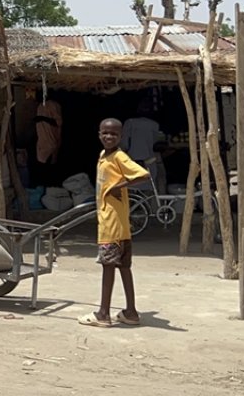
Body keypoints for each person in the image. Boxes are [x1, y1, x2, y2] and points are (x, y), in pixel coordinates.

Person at [79, 118, 150, 328]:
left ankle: (103, 313)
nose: (109, 137)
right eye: (105, 133)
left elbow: (143, 174)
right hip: (118, 223)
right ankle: (131, 312)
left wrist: (121, 186)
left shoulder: (119, 156)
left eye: (114, 134)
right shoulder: (103, 155)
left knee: (108, 266)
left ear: (121, 136)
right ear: (99, 134)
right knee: (123, 267)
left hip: (112, 224)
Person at [34, 97, 62, 186]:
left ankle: (50, 185)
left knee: (49, 166)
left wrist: (43, 118)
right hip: (42, 141)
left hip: (51, 141)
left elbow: (58, 122)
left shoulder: (53, 105)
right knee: (42, 166)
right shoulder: (40, 106)